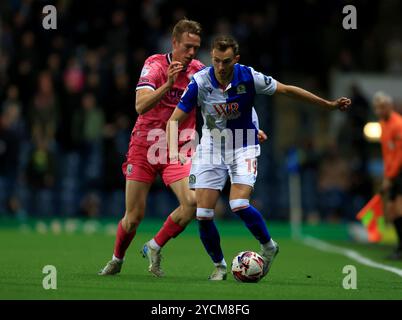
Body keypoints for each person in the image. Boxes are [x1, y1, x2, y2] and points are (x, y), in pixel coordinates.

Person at [167, 35, 351, 280]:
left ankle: (268, 246)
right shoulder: (200, 82)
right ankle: (220, 266)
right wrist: (172, 150)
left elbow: (287, 90)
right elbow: (173, 119)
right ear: (211, 57)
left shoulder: (249, 76)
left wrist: (327, 104)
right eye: (217, 61)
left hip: (243, 144)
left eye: (227, 61)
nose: (221, 67)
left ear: (237, 59)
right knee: (203, 214)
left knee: (238, 204)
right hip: (211, 148)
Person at [98, 18, 204, 277]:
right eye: (187, 46)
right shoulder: (154, 65)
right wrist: (167, 85)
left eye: (195, 47)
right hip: (145, 144)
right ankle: (117, 259)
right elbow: (140, 105)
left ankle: (155, 246)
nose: (191, 53)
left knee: (191, 203)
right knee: (134, 216)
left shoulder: (200, 71)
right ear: (174, 43)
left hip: (178, 145)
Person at [373, 91, 402, 260]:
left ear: (389, 107)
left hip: (400, 171)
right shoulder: (382, 125)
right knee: (392, 212)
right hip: (393, 173)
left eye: (382, 107)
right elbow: (387, 154)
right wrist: (387, 176)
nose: (378, 111)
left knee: (397, 209)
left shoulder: (398, 124)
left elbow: (399, 155)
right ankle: (400, 248)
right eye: (376, 108)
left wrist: (389, 177)